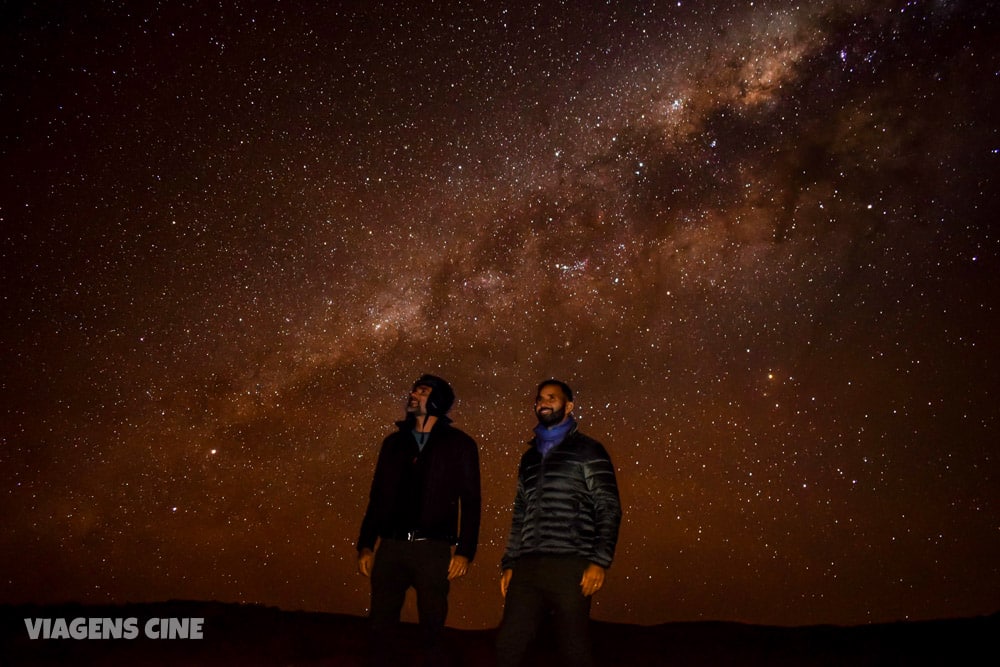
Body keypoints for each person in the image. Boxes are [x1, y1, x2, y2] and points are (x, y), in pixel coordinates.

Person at [356, 374, 481, 666]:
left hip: (432, 550)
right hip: (391, 547)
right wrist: (366, 544)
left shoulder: (460, 444)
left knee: (432, 627)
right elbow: (378, 496)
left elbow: (472, 501)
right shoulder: (393, 444)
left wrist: (465, 551)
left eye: (422, 391)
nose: (413, 394)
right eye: (414, 389)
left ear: (438, 399)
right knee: (380, 625)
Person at [496, 379, 622, 667]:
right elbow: (520, 513)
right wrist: (510, 563)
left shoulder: (589, 450)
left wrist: (599, 560)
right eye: (540, 398)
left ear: (569, 406)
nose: (543, 403)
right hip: (528, 567)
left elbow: (608, 506)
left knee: (573, 649)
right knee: (508, 646)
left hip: (571, 565)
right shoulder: (529, 458)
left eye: (552, 397)